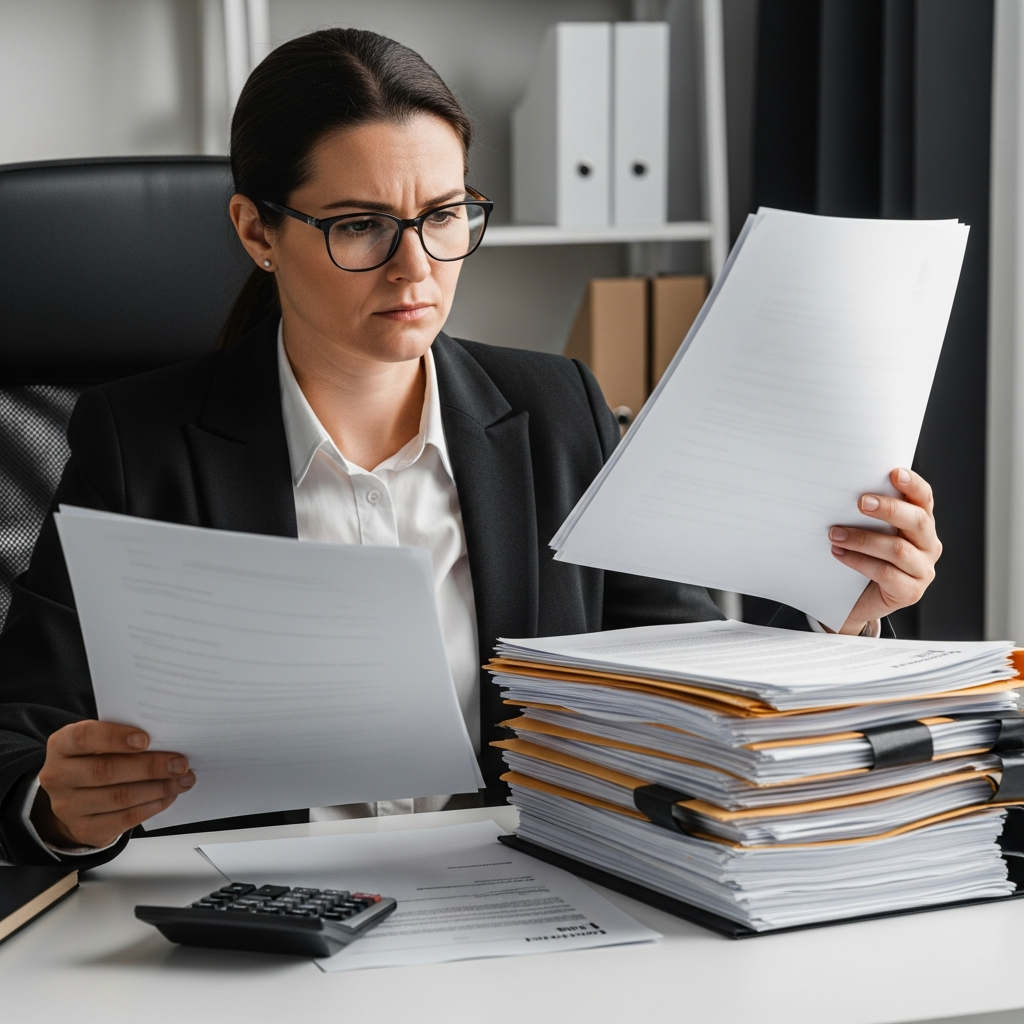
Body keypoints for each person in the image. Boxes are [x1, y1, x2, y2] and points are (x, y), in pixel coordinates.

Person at [0, 29, 942, 868]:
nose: (417, 268)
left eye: (444, 216)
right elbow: (19, 737)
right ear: (258, 231)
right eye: (361, 226)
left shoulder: (555, 409)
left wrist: (841, 617)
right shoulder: (140, 440)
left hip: (520, 906)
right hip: (253, 921)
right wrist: (63, 806)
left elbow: (680, 685)